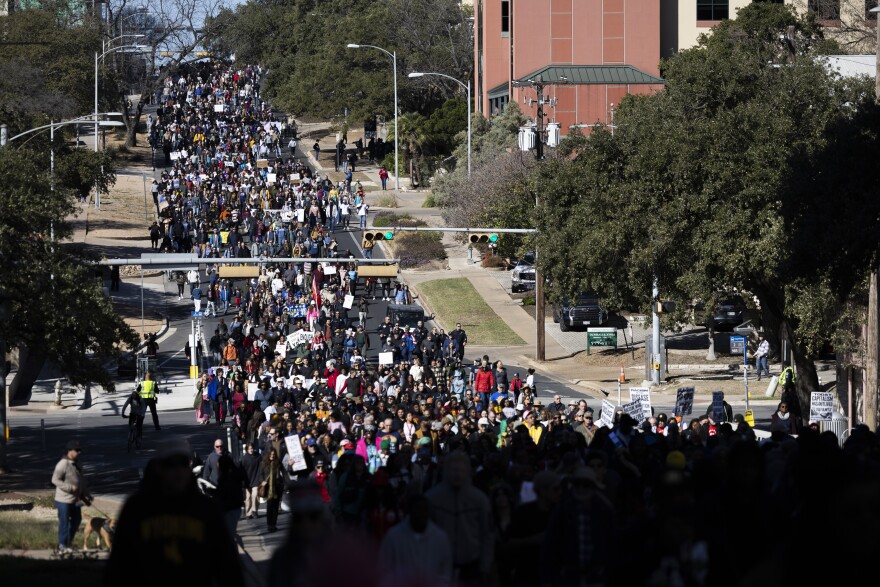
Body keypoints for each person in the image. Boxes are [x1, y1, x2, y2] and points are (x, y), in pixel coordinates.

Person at [106, 438, 244, 587]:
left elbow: (227, 566)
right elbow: (119, 564)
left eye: (183, 463)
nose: (177, 470)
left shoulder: (206, 509)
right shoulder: (136, 509)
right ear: (159, 468)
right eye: (170, 464)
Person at [426, 451, 493, 582]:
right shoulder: (432, 498)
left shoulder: (479, 500)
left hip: (472, 563)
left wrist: (485, 565)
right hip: (439, 564)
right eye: (454, 470)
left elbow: (487, 534)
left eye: (461, 470)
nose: (457, 474)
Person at [379, 494, 453, 584]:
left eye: (424, 510)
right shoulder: (393, 537)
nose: (422, 514)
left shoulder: (441, 538)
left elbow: (445, 573)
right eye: (418, 510)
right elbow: (385, 570)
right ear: (410, 511)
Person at [52, 440, 92, 553]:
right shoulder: (63, 464)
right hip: (63, 500)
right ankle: (62, 545)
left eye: (80, 450)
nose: (79, 452)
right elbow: (54, 480)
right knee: (64, 522)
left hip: (75, 500)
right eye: (77, 450)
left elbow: (81, 481)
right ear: (69, 451)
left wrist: (87, 495)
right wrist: (69, 487)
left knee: (76, 521)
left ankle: (68, 543)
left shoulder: (77, 464)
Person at [215, 454, 245, 538]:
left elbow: (224, 494)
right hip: (236, 507)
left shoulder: (225, 478)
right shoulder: (235, 474)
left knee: (229, 533)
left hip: (229, 509)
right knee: (231, 532)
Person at [260, 448, 285, 532]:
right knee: (269, 507)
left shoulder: (278, 463)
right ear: (268, 454)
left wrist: (287, 483)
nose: (272, 456)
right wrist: (262, 481)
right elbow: (261, 474)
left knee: (275, 507)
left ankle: (273, 524)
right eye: (271, 454)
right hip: (268, 488)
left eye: (274, 454)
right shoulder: (264, 463)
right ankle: (269, 525)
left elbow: (284, 473)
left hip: (277, 487)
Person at [241, 443, 263, 519]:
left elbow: (261, 466)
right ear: (247, 449)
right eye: (249, 448)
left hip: (256, 479)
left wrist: (261, 478)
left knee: (255, 495)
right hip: (247, 480)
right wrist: (243, 481)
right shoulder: (244, 458)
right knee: (248, 498)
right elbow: (241, 470)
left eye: (252, 448)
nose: (251, 450)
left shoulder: (258, 456)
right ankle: (248, 513)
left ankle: (254, 511)